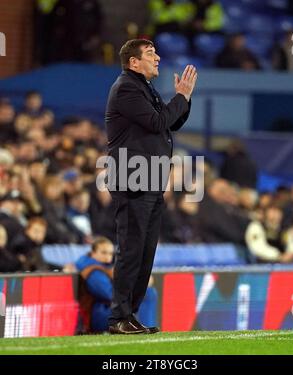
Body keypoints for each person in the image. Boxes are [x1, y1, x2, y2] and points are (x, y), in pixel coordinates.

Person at [105, 39, 197, 334]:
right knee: (132, 249)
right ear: (133, 62)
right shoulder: (127, 88)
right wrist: (180, 97)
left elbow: (171, 124)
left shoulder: (143, 87)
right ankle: (119, 317)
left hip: (151, 180)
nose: (157, 57)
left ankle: (130, 314)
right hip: (133, 179)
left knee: (145, 251)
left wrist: (184, 99)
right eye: (150, 54)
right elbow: (159, 122)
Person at [75, 237, 158, 333]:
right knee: (147, 293)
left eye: (110, 253)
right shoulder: (94, 271)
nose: (107, 257)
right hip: (99, 314)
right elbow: (111, 295)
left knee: (147, 292)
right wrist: (138, 286)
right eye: (103, 252)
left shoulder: (104, 267)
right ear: (93, 253)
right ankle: (146, 328)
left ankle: (145, 327)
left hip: (109, 310)